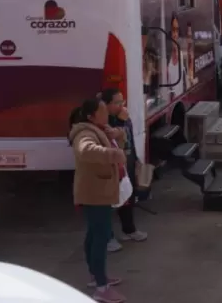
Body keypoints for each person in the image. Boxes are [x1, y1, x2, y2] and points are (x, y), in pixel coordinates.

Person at [69, 98, 128, 303]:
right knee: (100, 237)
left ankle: (97, 276)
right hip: (94, 194)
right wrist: (115, 154)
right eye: (103, 111)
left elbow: (118, 138)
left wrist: (118, 134)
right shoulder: (85, 133)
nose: (107, 114)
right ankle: (101, 288)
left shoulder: (100, 127)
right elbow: (86, 150)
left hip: (99, 191)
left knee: (95, 234)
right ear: (90, 116)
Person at [99, 89, 147, 252]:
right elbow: (111, 138)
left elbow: (128, 138)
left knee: (128, 195)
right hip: (111, 165)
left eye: (123, 102)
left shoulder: (123, 116)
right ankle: (107, 237)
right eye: (117, 103)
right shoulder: (104, 119)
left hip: (127, 160)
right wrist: (120, 123)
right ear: (106, 104)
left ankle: (129, 229)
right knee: (108, 202)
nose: (121, 106)